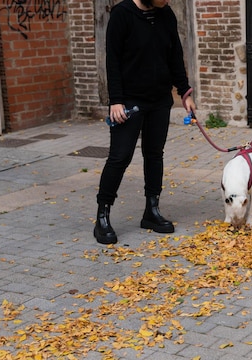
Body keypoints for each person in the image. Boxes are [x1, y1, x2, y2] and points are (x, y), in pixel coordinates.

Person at [94, 0, 196, 244]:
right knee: (120, 157)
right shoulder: (122, 14)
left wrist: (185, 93)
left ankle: (151, 210)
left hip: (159, 100)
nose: (168, 1)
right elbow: (113, 60)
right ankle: (102, 216)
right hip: (129, 102)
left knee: (154, 154)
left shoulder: (166, 14)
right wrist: (115, 100)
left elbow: (175, 56)